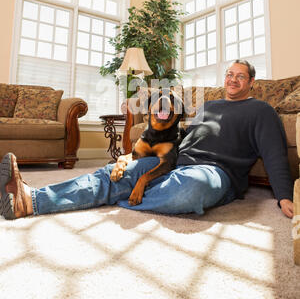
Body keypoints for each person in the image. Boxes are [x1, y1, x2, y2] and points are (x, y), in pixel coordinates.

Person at [0, 60, 294, 221]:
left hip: (214, 172)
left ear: (251, 82)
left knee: (190, 190)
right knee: (115, 171)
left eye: (240, 76)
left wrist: (283, 196)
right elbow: (186, 137)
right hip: (175, 162)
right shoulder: (209, 106)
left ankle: (118, 195)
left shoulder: (261, 110)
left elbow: (275, 153)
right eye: (229, 74)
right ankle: (32, 200)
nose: (232, 80)